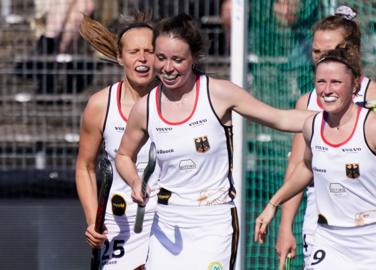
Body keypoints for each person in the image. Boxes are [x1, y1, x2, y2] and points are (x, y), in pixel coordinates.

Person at [114, 14, 313, 270]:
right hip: (167, 221)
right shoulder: (146, 108)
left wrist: (340, 118)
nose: (167, 67)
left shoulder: (218, 93)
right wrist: (134, 181)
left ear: (194, 58)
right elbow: (123, 155)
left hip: (214, 221)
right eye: (161, 58)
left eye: (177, 59)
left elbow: (280, 118)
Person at [255, 45, 376, 269]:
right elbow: (307, 168)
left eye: (336, 82)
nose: (327, 90)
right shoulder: (312, 126)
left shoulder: (374, 127)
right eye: (321, 82)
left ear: (354, 85)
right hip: (329, 239)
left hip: (375, 239)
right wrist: (273, 203)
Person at [275, 6, 376, 268]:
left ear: (352, 53)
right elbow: (297, 167)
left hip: (372, 224)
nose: (320, 59)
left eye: (330, 52)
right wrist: (285, 225)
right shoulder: (307, 102)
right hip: (322, 222)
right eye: (316, 52)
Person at [75, 13, 158, 270]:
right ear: (120, 57)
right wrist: (93, 222)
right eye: (134, 51)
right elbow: (85, 167)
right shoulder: (101, 105)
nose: (142, 58)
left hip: (166, 219)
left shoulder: (176, 102)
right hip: (119, 224)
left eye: (150, 51)